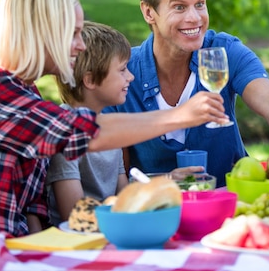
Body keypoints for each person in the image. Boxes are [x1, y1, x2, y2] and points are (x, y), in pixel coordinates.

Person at [0, 0, 229, 254]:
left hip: (9, 249)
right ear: (42, 32)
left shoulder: (23, 90)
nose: (80, 44)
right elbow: (80, 132)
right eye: (73, 33)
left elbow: (33, 199)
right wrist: (180, 116)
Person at [104, 0, 269, 187]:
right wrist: (165, 183)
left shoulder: (227, 52)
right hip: (156, 214)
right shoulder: (122, 73)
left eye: (200, 4)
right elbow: (115, 184)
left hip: (234, 207)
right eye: (179, 7)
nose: (195, 18)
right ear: (148, 12)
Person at [45, 21, 204, 226]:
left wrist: (167, 180)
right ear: (90, 80)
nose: (131, 77)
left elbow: (124, 195)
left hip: (110, 230)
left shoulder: (114, 128)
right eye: (122, 70)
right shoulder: (65, 133)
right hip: (74, 243)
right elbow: (75, 214)